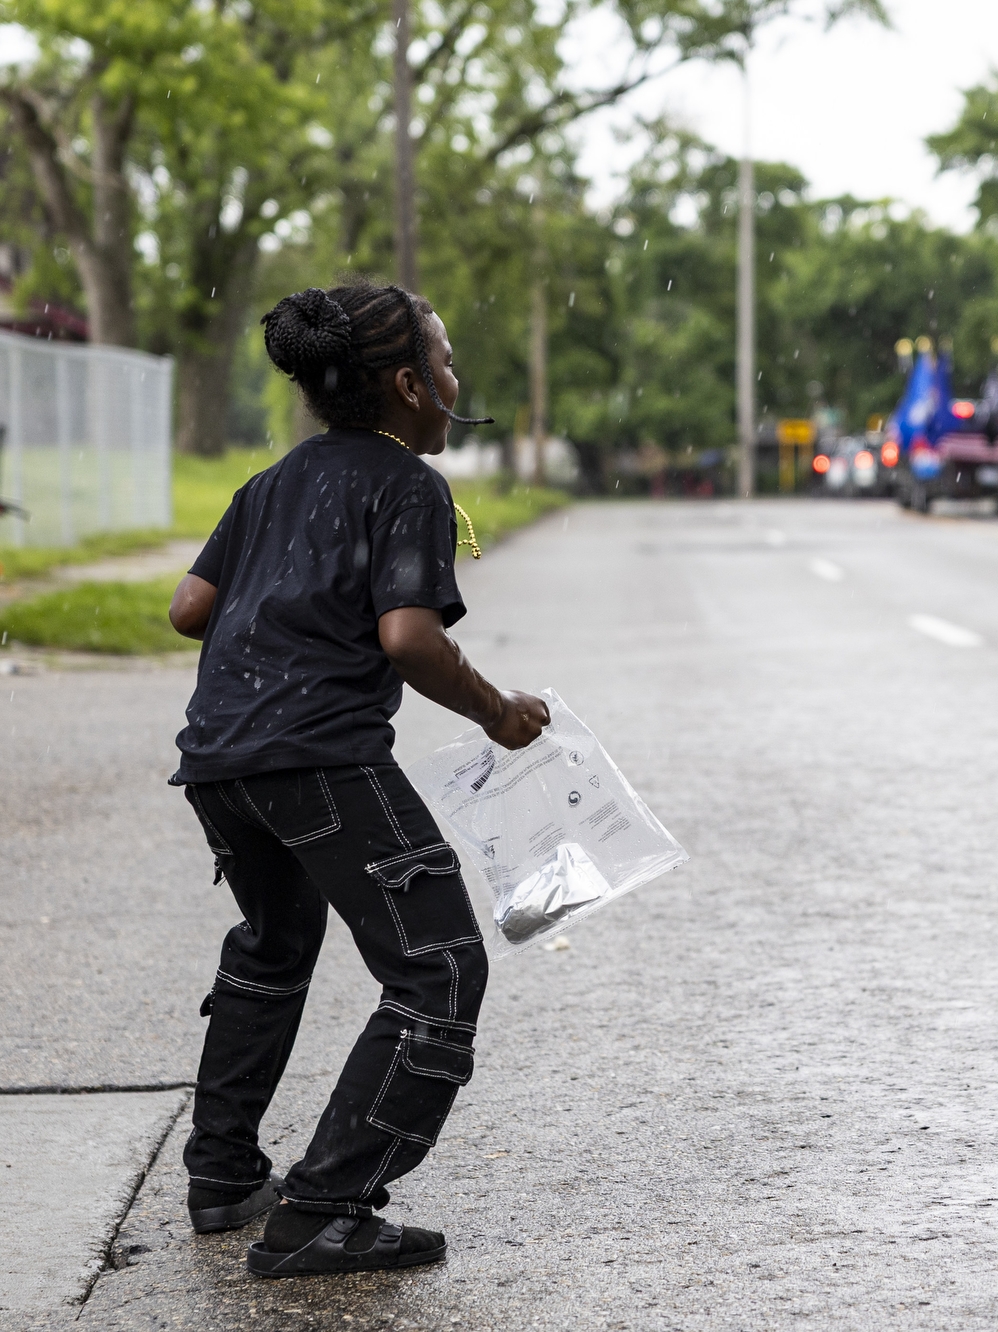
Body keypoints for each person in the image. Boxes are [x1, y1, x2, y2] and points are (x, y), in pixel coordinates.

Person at [167, 280, 550, 1274]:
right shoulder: (407, 486)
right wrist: (498, 713)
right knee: (439, 967)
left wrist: (277, 600)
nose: (456, 379)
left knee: (274, 938)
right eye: (447, 361)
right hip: (321, 754)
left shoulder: (271, 484)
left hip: (218, 760)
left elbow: (186, 606)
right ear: (408, 386)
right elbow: (408, 638)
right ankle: (325, 1207)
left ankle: (222, 1177)